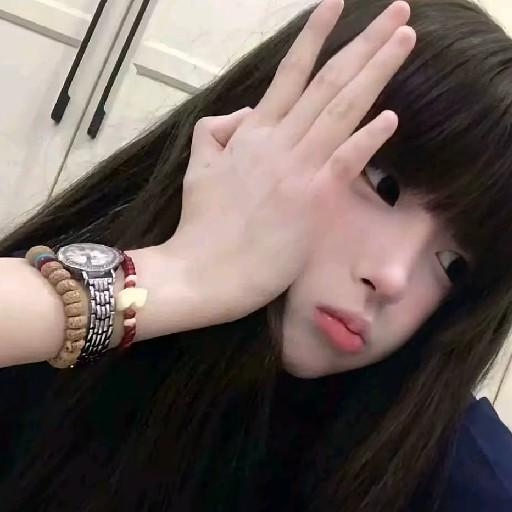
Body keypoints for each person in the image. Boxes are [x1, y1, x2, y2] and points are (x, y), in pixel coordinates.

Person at [0, 0, 511, 510]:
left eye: (453, 265)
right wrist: (172, 278)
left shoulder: (467, 484)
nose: (393, 276)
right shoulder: (60, 329)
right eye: (384, 186)